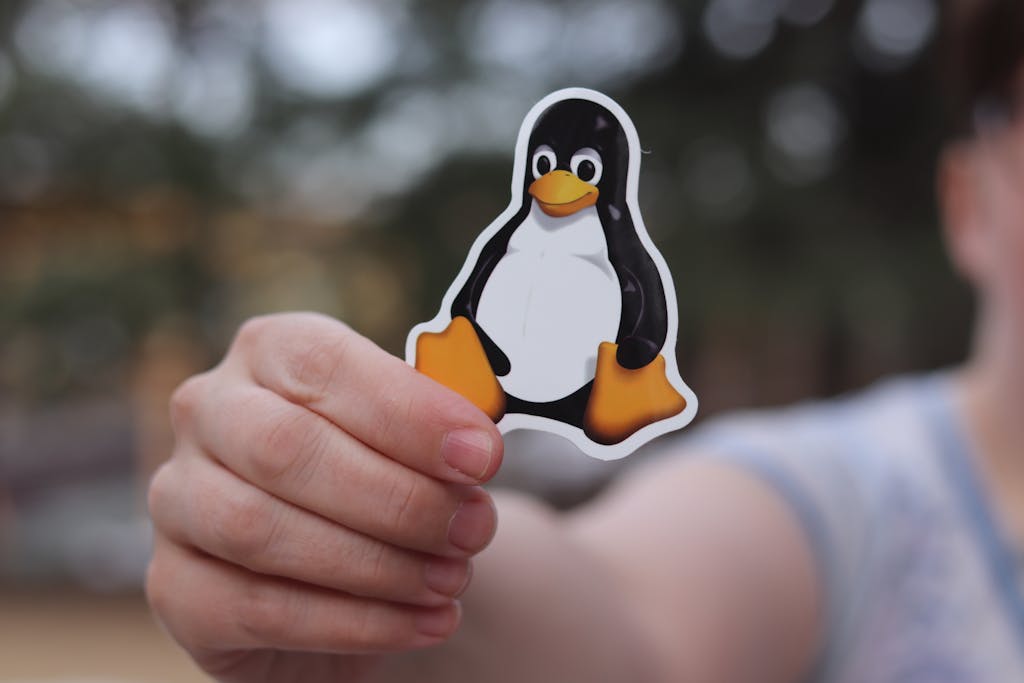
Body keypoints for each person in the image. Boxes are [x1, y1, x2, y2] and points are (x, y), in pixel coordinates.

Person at [144, 2, 1024, 680]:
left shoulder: (617, 252)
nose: (561, 186)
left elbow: (634, 301)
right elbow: (627, 612)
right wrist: (376, 548)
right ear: (969, 204)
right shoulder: (848, 498)